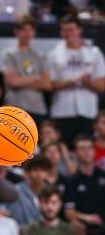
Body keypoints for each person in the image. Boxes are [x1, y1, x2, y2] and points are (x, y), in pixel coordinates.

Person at [48, 15, 105, 148]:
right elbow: (49, 85)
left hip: (88, 111)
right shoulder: (53, 54)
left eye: (72, 29)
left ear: (80, 30)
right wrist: (71, 82)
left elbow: (102, 86)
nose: (68, 33)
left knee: (86, 149)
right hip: (62, 110)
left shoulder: (94, 53)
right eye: (65, 30)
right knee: (63, 149)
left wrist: (87, 82)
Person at [2, 15, 50, 126]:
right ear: (16, 32)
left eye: (30, 30)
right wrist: (36, 78)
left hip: (37, 109)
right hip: (15, 108)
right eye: (24, 30)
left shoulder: (40, 56)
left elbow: (47, 84)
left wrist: (21, 80)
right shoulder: (9, 54)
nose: (27, 34)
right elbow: (12, 82)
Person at [64, 134, 105, 235]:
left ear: (94, 151)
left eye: (89, 148)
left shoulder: (103, 176)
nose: (87, 151)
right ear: (76, 153)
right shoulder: (72, 181)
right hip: (85, 233)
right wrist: (88, 217)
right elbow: (69, 212)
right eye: (82, 148)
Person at [6, 155, 52, 225]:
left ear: (48, 173)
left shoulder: (52, 192)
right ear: (28, 172)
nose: (38, 174)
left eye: (42, 170)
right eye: (35, 169)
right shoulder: (16, 189)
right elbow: (4, 210)